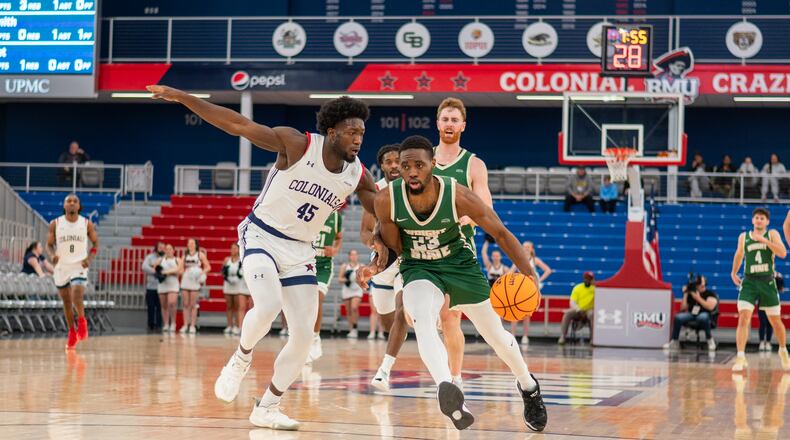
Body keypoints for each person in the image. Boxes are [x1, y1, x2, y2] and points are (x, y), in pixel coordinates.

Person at [147, 84, 380, 430]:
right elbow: (238, 125)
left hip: (302, 249)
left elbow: (380, 210)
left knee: (303, 337)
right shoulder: (298, 145)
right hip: (262, 235)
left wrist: (381, 246)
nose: (358, 138)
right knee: (268, 305)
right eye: (351, 131)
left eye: (361, 132)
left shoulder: (357, 174)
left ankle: (268, 406)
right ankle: (241, 358)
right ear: (332, 132)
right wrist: (184, 97)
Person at [357, 136, 547, 432]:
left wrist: (529, 272)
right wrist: (374, 264)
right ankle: (448, 389)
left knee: (496, 337)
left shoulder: (457, 195)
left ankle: (528, 384)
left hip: (460, 265)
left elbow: (500, 233)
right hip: (419, 267)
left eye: (419, 165)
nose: (412, 172)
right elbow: (394, 248)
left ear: (433, 164)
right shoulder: (386, 200)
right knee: (421, 320)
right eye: (406, 166)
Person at [431, 97, 494, 390]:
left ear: (463, 126)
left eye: (455, 120)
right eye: (445, 119)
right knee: (422, 315)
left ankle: (454, 379)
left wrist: (457, 219)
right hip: (423, 245)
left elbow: (484, 210)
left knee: (451, 317)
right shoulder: (423, 160)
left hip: (458, 247)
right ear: (437, 123)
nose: (449, 124)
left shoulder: (474, 164)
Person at [365, 144, 410, 390]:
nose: (393, 165)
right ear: (381, 166)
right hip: (383, 264)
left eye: (397, 161)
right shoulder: (376, 192)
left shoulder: (412, 188)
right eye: (388, 161)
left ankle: (384, 370)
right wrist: (376, 242)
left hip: (406, 261)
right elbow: (364, 230)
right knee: (387, 319)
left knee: (402, 310)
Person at [730, 208, 789, 372]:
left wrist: (763, 241)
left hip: (767, 281)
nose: (759, 220)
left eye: (762, 218)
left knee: (775, 321)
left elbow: (783, 253)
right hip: (749, 282)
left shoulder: (772, 234)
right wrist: (733, 272)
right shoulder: (744, 237)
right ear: (752, 220)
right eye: (756, 217)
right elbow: (739, 254)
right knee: (743, 317)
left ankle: (783, 350)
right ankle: (740, 356)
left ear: (767, 222)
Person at [47, 193, 99, 350]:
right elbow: (49, 244)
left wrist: (89, 259)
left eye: (75, 201)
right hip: (62, 265)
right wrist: (52, 255)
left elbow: (96, 243)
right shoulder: (55, 223)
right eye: (68, 201)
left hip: (79, 264)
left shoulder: (86, 223)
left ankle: (82, 321)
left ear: (79, 206)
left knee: (76, 293)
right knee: (66, 301)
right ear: (64, 206)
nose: (71, 203)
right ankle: (71, 332)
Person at [308, 207, 343, 361]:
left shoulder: (336, 217)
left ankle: (315, 338)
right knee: (305, 304)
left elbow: (339, 238)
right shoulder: (310, 209)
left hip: (324, 266)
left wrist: (335, 249)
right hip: (306, 262)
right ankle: (303, 340)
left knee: (316, 299)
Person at [663, 274, 719, 351]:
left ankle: (710, 340)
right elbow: (683, 308)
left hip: (705, 315)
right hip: (692, 314)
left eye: (700, 282)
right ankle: (674, 341)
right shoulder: (691, 294)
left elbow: (710, 307)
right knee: (678, 317)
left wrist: (697, 298)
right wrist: (686, 294)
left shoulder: (710, 294)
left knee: (703, 317)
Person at [512, 241, 552, 346]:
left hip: (530, 290)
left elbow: (548, 270)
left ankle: (525, 336)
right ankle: (513, 336)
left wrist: (539, 280)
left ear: (532, 249)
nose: (525, 248)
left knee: (526, 314)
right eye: (524, 246)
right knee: (514, 313)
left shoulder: (535, 260)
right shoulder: (518, 259)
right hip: (519, 288)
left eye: (528, 247)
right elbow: (510, 272)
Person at [179, 238, 211, 334]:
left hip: (195, 280)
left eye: (192, 243)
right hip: (186, 279)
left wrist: (201, 273)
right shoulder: (184, 255)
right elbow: (180, 268)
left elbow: (208, 267)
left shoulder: (200, 254)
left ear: (196, 244)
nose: (190, 244)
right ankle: (185, 325)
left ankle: (192, 325)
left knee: (193, 304)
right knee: (185, 304)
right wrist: (183, 272)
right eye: (189, 243)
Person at [558, 271, 595, 345]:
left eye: (589, 279)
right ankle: (563, 336)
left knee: (592, 315)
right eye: (586, 278)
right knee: (568, 313)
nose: (587, 280)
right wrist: (578, 309)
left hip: (589, 310)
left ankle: (593, 338)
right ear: (584, 279)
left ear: (592, 280)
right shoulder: (577, 288)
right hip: (578, 310)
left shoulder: (595, 289)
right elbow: (572, 302)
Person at [222, 243, 248, 336]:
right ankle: (229, 325)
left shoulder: (241, 260)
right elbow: (223, 272)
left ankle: (237, 326)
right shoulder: (226, 260)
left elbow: (242, 273)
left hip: (238, 286)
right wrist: (228, 278)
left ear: (238, 250)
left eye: (235, 248)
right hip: (228, 285)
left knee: (237, 307)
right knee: (229, 306)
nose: (233, 250)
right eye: (231, 248)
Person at [156, 243, 181, 333]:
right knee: (164, 305)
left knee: (172, 302)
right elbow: (155, 269)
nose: (168, 251)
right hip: (163, 284)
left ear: (173, 250)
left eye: (170, 249)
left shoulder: (177, 259)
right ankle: (166, 324)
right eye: (167, 249)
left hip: (173, 284)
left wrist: (166, 272)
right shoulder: (160, 260)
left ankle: (173, 323)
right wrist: (161, 273)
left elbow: (180, 270)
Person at [339, 249, 363, 338]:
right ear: (349, 256)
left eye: (355, 255)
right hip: (347, 289)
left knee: (354, 308)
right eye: (352, 255)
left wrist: (357, 279)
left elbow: (365, 279)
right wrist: (349, 278)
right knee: (348, 311)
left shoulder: (361, 266)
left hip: (357, 290)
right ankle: (351, 330)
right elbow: (340, 279)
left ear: (358, 256)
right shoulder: (344, 266)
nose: (354, 256)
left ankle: (355, 328)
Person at [141, 242, 165, 332]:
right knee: (150, 307)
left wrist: (161, 272)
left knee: (160, 307)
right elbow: (144, 267)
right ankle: (150, 325)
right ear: (156, 248)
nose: (162, 249)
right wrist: (155, 272)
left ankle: (159, 325)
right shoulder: (150, 257)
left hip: (162, 287)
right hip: (151, 287)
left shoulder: (166, 257)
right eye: (160, 247)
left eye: (163, 247)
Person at [757, 272, 783, 351]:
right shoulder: (760, 275)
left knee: (770, 323)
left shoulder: (777, 275)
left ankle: (768, 342)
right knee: (762, 322)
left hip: (772, 301)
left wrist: (778, 279)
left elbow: (781, 289)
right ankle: (761, 342)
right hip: (762, 301)